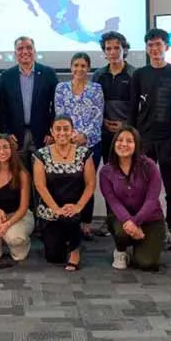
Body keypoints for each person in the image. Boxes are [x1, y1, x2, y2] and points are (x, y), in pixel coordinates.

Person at [128, 28, 171, 246]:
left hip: (168, 136)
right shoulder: (139, 74)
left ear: (167, 47)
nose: (154, 49)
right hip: (143, 137)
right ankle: (142, 222)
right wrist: (131, 139)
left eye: (158, 45)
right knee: (140, 184)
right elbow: (133, 108)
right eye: (150, 45)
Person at [33, 115, 96, 271]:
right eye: (58, 129)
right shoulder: (41, 155)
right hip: (51, 210)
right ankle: (62, 239)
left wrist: (78, 206)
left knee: (71, 218)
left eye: (66, 129)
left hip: (75, 207)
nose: (62, 133)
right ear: (52, 132)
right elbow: (40, 186)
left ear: (72, 131)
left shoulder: (84, 153)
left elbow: (90, 184)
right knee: (54, 257)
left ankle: (75, 251)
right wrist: (56, 209)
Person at [99, 126, 165, 272]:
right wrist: (130, 223)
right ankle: (121, 250)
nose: (123, 144)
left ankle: (140, 246)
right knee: (122, 232)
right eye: (120, 140)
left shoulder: (149, 166)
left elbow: (151, 200)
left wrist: (136, 222)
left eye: (129, 141)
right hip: (122, 220)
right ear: (114, 143)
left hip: (151, 220)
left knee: (146, 264)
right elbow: (113, 202)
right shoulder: (106, 171)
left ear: (137, 145)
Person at [54, 52, 104, 236]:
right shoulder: (61, 88)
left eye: (83, 66)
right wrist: (71, 136)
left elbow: (98, 116)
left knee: (87, 183)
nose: (79, 69)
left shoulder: (96, 89)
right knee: (67, 183)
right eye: (76, 65)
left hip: (90, 144)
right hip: (66, 144)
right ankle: (66, 219)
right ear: (71, 67)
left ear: (88, 68)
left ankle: (85, 223)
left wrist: (84, 135)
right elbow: (60, 115)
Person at [0, 37, 59, 160]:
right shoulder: (6, 77)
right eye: (20, 48)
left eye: (29, 48)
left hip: (43, 136)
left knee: (42, 176)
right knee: (20, 176)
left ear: (34, 51)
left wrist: (51, 131)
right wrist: (6, 134)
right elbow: (2, 109)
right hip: (16, 137)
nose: (25, 51)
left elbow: (57, 106)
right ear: (15, 54)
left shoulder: (48, 74)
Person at [0, 134, 33, 268]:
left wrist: (8, 223)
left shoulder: (22, 174)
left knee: (15, 239)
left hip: (19, 215)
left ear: (12, 150)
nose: (1, 151)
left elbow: (23, 208)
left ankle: (21, 243)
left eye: (5, 147)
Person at [93, 31, 135, 163]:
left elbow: (140, 106)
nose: (112, 52)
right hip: (105, 133)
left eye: (117, 48)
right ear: (104, 52)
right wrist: (103, 122)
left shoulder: (135, 74)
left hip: (128, 132)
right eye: (108, 48)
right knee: (109, 170)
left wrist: (125, 124)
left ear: (125, 49)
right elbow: (93, 106)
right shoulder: (98, 75)